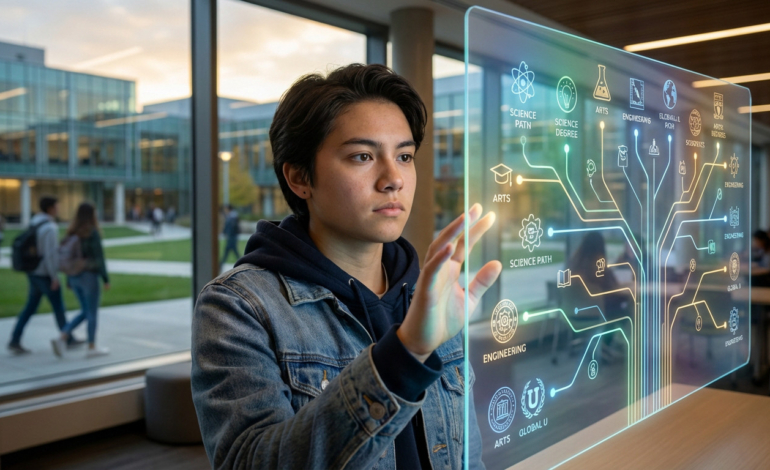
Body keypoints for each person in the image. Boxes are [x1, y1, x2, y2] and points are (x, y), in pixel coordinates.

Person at [191, 64, 501, 469]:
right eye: (362, 156)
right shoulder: (240, 308)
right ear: (300, 178)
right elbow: (252, 462)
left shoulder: (430, 292)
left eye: (404, 156)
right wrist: (404, 355)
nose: (394, 179)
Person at [8, 196, 81, 354]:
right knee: (58, 307)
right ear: (51, 208)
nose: (59, 209)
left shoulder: (35, 222)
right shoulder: (50, 227)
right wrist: (54, 277)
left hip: (33, 272)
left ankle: (15, 339)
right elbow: (50, 254)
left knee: (30, 308)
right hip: (44, 274)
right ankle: (67, 337)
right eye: (57, 206)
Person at [51, 202, 110, 358]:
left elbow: (68, 259)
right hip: (89, 276)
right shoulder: (91, 232)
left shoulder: (72, 232)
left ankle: (63, 336)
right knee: (91, 313)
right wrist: (105, 278)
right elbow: (99, 258)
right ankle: (91, 346)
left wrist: (69, 280)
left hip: (74, 277)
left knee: (85, 311)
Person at [219, 204, 240, 271]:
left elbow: (232, 228)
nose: (225, 211)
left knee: (231, 251)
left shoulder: (232, 217)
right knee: (230, 251)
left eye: (226, 209)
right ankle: (220, 265)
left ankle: (220, 265)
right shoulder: (230, 216)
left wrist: (227, 233)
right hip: (231, 237)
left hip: (232, 237)